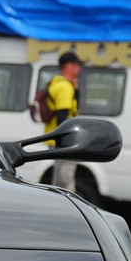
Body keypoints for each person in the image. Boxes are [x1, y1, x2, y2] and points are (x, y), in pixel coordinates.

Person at [45, 50, 82, 189]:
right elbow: (63, 117)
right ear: (69, 66)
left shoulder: (57, 83)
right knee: (65, 179)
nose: (79, 68)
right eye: (77, 65)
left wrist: (76, 89)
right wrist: (66, 140)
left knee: (59, 177)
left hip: (57, 139)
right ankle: (68, 207)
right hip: (64, 141)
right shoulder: (64, 87)